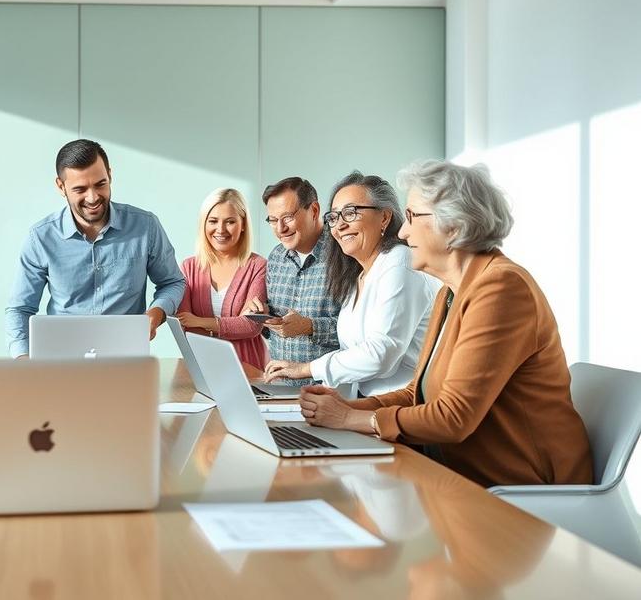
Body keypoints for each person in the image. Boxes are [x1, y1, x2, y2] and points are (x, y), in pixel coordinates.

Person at [298, 161, 592, 487]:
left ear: (453, 224)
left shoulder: (502, 288)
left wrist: (352, 418)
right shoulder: (450, 292)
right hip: (459, 474)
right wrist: (347, 407)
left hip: (524, 489)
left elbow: (453, 418)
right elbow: (418, 392)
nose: (402, 231)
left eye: (411, 217)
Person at [5, 139, 186, 358]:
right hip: (61, 363)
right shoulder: (40, 238)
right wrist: (24, 359)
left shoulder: (145, 226)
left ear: (110, 175)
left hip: (127, 362)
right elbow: (20, 308)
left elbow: (172, 282)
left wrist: (155, 314)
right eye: (80, 189)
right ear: (61, 186)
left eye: (100, 184)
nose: (92, 198)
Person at [264, 172, 440, 398]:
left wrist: (305, 369)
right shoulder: (357, 273)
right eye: (335, 217)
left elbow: (381, 355)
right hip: (365, 401)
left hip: (406, 406)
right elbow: (353, 352)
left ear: (384, 217)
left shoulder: (400, 261)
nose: (339, 225)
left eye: (350, 213)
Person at [242, 177, 340, 385]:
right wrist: (262, 318)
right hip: (279, 388)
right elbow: (275, 332)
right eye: (272, 220)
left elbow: (360, 336)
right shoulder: (276, 257)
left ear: (314, 210)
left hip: (327, 390)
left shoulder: (343, 257)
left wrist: (309, 326)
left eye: (287, 217)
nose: (280, 229)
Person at [176, 188, 267, 370]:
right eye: (213, 221)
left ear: (243, 225)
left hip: (248, 366)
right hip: (201, 365)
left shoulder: (258, 265)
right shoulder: (189, 267)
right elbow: (185, 323)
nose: (221, 229)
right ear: (204, 224)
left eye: (230, 222)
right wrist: (232, 324)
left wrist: (201, 321)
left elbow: (251, 325)